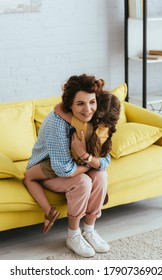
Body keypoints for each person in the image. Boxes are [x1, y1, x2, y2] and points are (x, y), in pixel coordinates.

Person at [23, 74, 120, 258]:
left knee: (100, 176)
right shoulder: (56, 124)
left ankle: (89, 230)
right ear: (71, 105)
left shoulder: (94, 118)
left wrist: (85, 156)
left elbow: (105, 161)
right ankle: (73, 234)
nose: (87, 109)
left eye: (92, 102)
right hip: (48, 170)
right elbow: (63, 170)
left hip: (76, 164)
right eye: (80, 104)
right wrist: (91, 163)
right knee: (83, 181)